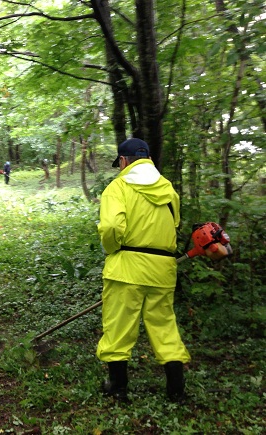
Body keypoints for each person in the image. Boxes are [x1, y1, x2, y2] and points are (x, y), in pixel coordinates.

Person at [96, 138, 190, 403]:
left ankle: (118, 387)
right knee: (164, 326)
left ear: (123, 161)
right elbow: (174, 224)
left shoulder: (117, 188)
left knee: (118, 327)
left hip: (126, 269)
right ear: (148, 159)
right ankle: (176, 390)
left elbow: (111, 228)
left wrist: (113, 249)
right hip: (163, 270)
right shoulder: (168, 189)